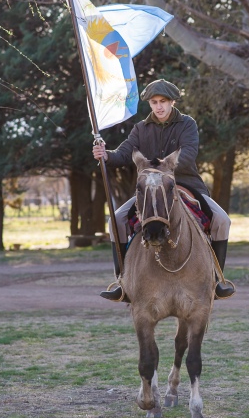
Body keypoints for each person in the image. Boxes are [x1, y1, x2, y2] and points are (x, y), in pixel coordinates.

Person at [92, 79, 234, 302]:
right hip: (150, 188)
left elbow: (188, 154)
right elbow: (124, 153)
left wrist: (164, 165)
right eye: (154, 102)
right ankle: (123, 282)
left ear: (172, 102)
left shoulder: (187, 124)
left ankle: (216, 281)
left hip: (185, 184)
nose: (159, 107)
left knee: (222, 220)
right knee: (116, 220)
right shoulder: (141, 128)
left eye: (163, 102)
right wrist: (106, 155)